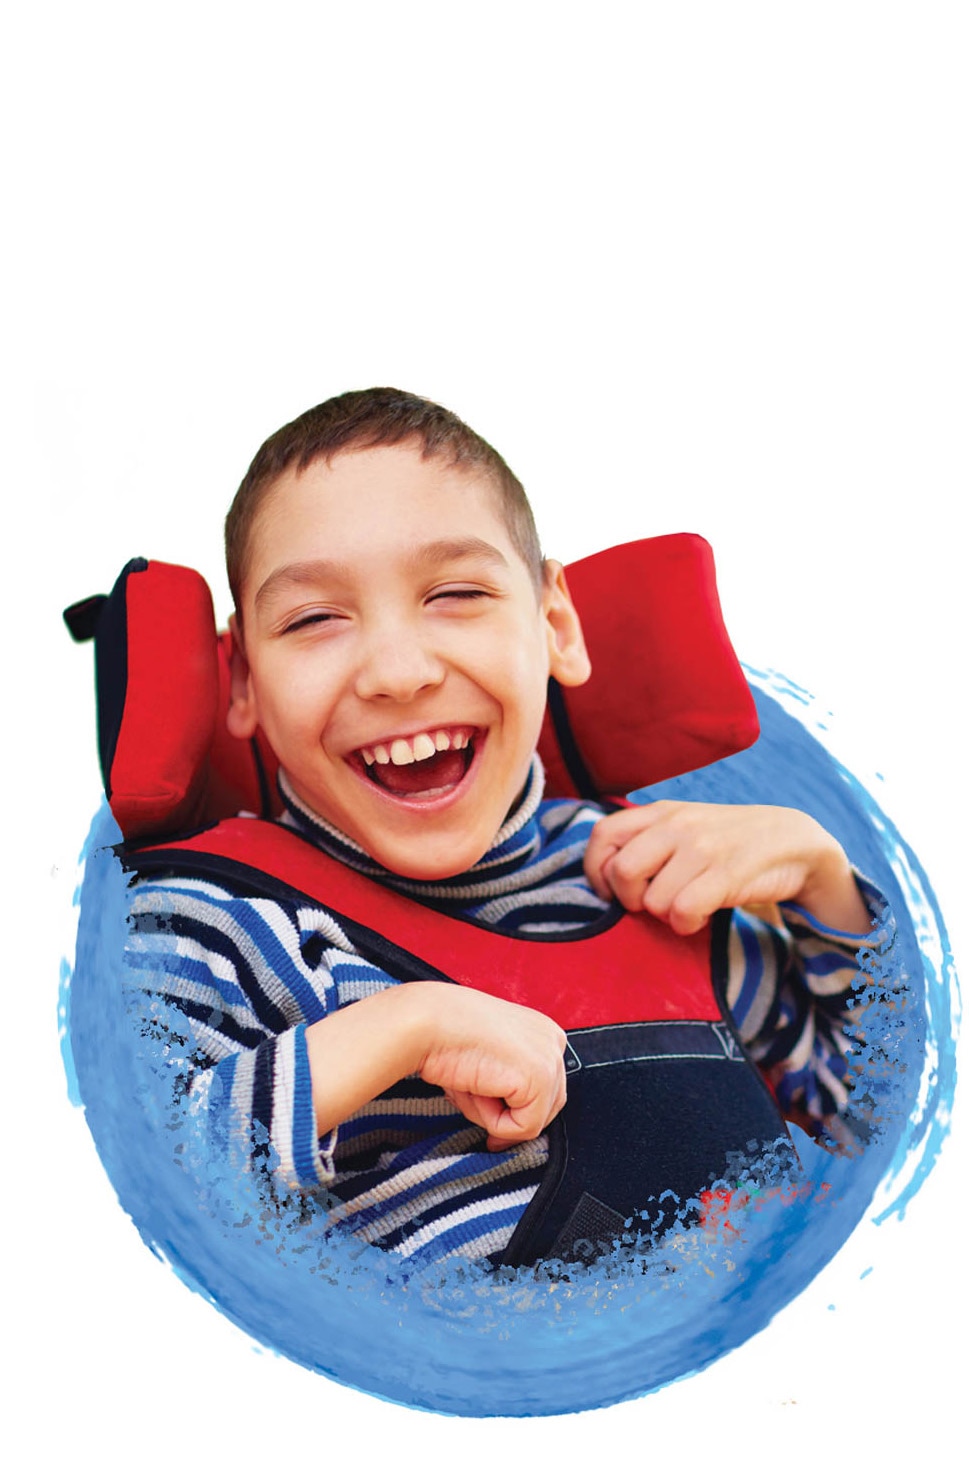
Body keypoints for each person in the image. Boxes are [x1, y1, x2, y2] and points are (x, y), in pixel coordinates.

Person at [123, 387, 891, 1268]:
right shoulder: (213, 921)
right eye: (313, 618)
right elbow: (136, 1192)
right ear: (244, 683)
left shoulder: (661, 878)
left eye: (453, 592)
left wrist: (821, 879)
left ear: (554, 623)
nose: (398, 671)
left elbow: (871, 1112)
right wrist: (396, 1030)